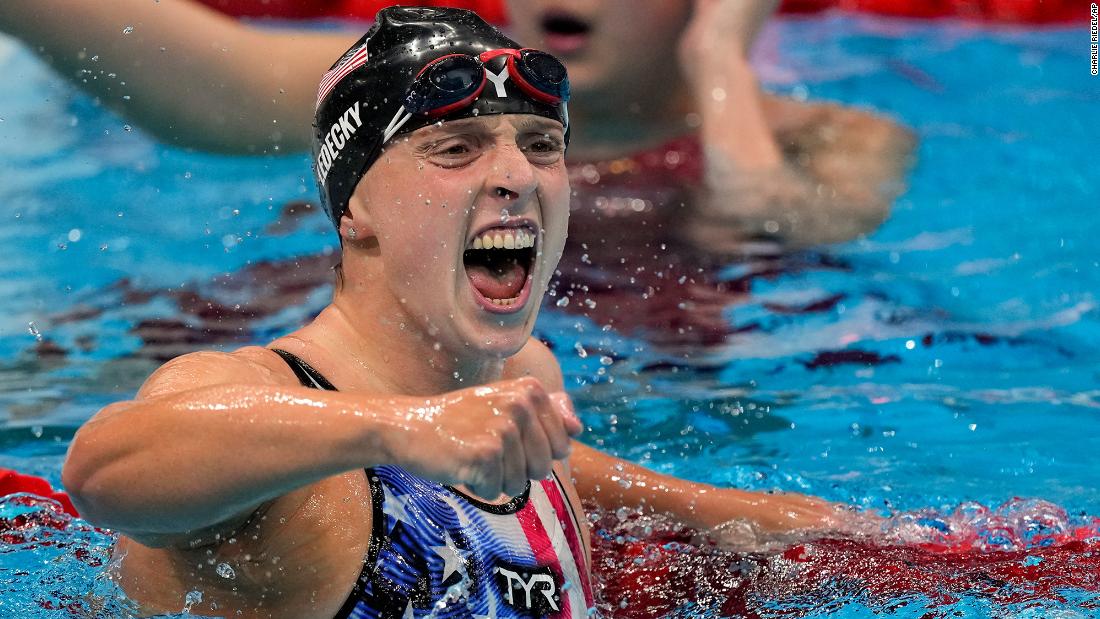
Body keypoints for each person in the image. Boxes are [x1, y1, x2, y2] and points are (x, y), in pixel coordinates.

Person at [61, 8, 843, 617]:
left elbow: (522, 454)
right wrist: (402, 428)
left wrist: (736, 513)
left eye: (541, 145)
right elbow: (104, 469)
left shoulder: (520, 375)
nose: (517, 175)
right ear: (353, 206)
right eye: (456, 149)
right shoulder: (272, 424)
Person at [0, 0, 912, 249]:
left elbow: (775, 228)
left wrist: (720, 59)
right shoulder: (421, 86)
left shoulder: (826, 135)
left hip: (659, 405)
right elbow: (203, 90)